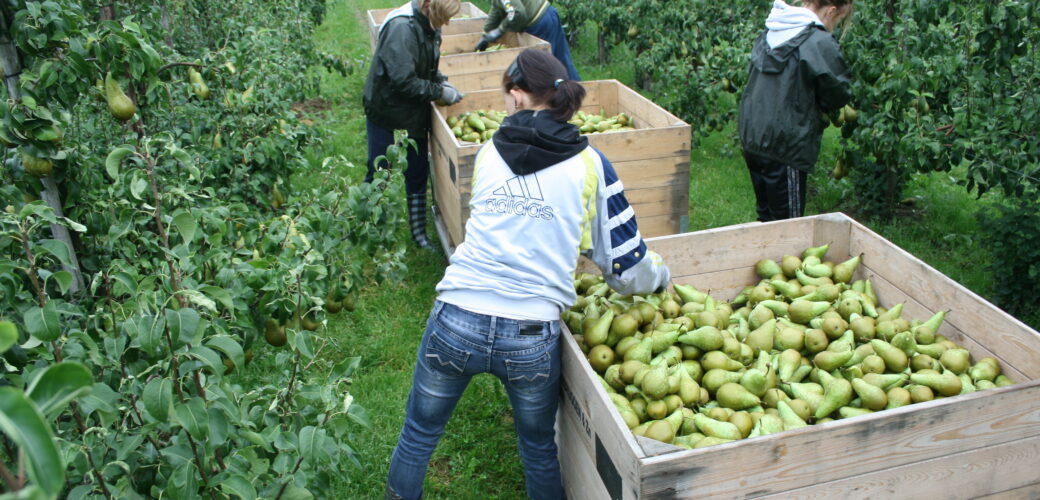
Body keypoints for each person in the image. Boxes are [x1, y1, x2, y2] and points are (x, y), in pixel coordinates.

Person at [384, 49, 670, 500]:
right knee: (538, 448)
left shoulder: (488, 153)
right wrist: (661, 279)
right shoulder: (590, 165)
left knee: (419, 434)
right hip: (531, 332)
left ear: (517, 96)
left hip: (458, 314)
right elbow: (625, 266)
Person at [737, 0, 853, 222]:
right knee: (789, 224)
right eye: (838, 20)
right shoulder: (817, 41)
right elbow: (838, 92)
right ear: (831, 11)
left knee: (766, 216)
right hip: (784, 141)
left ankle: (763, 252)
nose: (835, 26)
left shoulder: (775, 28)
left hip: (753, 132)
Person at [364, 0, 464, 249]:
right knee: (380, 169)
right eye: (444, 16)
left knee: (417, 170)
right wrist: (438, 91)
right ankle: (367, 227)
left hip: (413, 111)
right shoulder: (402, 29)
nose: (448, 23)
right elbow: (403, 80)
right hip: (387, 111)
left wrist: (440, 80)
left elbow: (424, 66)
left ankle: (419, 233)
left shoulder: (430, 24)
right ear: (427, 5)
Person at [474, 0, 581, 81]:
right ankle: (579, 93)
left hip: (539, 23)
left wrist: (499, 30)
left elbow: (517, 13)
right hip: (547, 12)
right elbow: (497, 8)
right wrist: (485, 34)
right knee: (561, 58)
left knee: (547, 69)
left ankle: (568, 99)